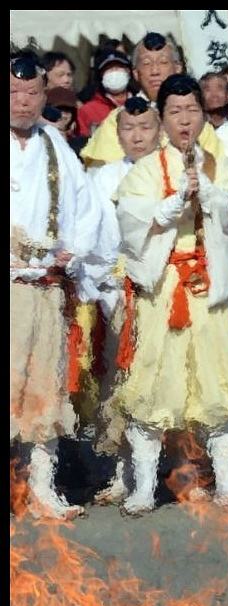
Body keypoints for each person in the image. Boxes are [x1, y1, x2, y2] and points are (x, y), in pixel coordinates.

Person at [113, 75, 228, 515]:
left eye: (191, 110)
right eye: (175, 111)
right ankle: (142, 486)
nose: (184, 119)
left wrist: (208, 193)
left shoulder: (219, 163)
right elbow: (133, 221)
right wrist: (176, 202)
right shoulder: (145, 169)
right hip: (166, 286)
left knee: (216, 380)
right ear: (161, 118)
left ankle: (226, 482)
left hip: (207, 286)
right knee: (155, 381)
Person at [10, 54, 103, 519]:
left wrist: (76, 249)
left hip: (44, 290)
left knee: (44, 392)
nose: (22, 102)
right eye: (13, 93)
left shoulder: (55, 146)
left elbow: (87, 209)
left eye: (31, 94)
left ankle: (43, 489)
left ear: (45, 96)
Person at [87, 96, 163, 504]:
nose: (138, 136)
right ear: (117, 134)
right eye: (129, 129)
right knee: (118, 381)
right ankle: (121, 473)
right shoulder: (103, 178)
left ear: (159, 130)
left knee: (161, 378)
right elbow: (96, 236)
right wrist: (103, 285)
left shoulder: (169, 171)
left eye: (146, 127)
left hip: (163, 289)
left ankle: (171, 468)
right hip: (118, 290)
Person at [81, 32, 223, 168]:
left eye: (163, 62)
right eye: (147, 63)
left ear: (178, 67)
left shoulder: (194, 118)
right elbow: (101, 175)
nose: (155, 71)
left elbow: (217, 169)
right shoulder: (118, 119)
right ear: (136, 73)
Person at [77, 50, 134, 139]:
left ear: (128, 71)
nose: (114, 73)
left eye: (118, 67)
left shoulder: (143, 102)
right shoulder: (87, 111)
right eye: (109, 69)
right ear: (101, 76)